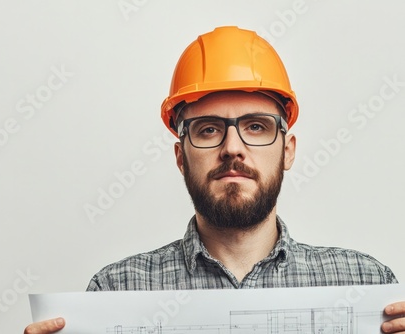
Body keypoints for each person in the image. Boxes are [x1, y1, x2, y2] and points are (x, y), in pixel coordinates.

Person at [24, 26, 405, 333]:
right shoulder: (115, 291)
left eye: (256, 126)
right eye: (208, 130)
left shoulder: (367, 284)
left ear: (287, 150)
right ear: (180, 156)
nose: (232, 148)